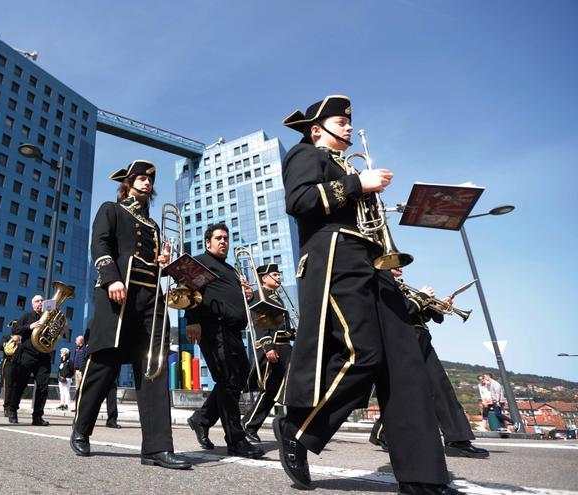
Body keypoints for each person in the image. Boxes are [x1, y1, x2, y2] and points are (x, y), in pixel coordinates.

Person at [275, 95, 454, 494]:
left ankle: (423, 476)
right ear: (317, 128)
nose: (350, 127)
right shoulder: (307, 154)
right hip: (336, 259)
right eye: (342, 121)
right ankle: (299, 428)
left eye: (349, 121)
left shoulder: (343, 164)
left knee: (405, 364)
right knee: (363, 353)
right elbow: (299, 201)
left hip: (372, 263)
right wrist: (358, 183)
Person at [70, 160, 191, 470]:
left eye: (150, 180)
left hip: (151, 298)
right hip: (119, 296)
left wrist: (161, 259)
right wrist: (110, 277)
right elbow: (100, 244)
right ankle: (82, 428)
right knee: (104, 366)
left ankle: (157, 448)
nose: (147, 183)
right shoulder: (111, 209)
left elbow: (151, 261)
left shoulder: (153, 225)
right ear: (127, 183)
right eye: (140, 179)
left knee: (154, 368)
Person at [369, 270, 489, 458]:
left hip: (422, 339)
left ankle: (457, 440)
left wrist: (440, 307)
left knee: (442, 388)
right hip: (402, 341)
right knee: (405, 391)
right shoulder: (381, 284)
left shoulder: (403, 286)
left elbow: (424, 316)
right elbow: (399, 314)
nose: (400, 266)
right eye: (395, 262)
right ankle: (382, 432)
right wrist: (421, 298)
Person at [185, 223, 264, 459]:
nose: (223, 242)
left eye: (226, 238)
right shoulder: (200, 261)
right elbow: (189, 290)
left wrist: (247, 296)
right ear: (208, 242)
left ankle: (202, 418)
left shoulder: (230, 269)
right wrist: (192, 319)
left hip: (233, 330)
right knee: (228, 381)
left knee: (237, 378)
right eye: (218, 238)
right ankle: (235, 440)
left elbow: (236, 297)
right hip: (213, 328)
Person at [241, 263, 295, 444]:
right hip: (273, 348)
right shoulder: (259, 295)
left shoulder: (276, 296)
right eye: (274, 274)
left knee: (288, 387)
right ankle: (248, 425)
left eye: (279, 274)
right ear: (264, 278)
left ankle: (293, 426)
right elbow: (260, 323)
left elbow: (281, 325)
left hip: (285, 346)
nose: (278, 277)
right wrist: (268, 346)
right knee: (270, 390)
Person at [9, 295, 53, 426]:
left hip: (43, 356)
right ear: (32, 304)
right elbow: (14, 329)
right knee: (20, 384)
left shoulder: (49, 317)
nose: (40, 303)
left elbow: (58, 332)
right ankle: (12, 411)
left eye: (42, 301)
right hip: (27, 355)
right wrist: (30, 326)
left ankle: (37, 417)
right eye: (37, 301)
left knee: (43, 388)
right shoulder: (27, 316)